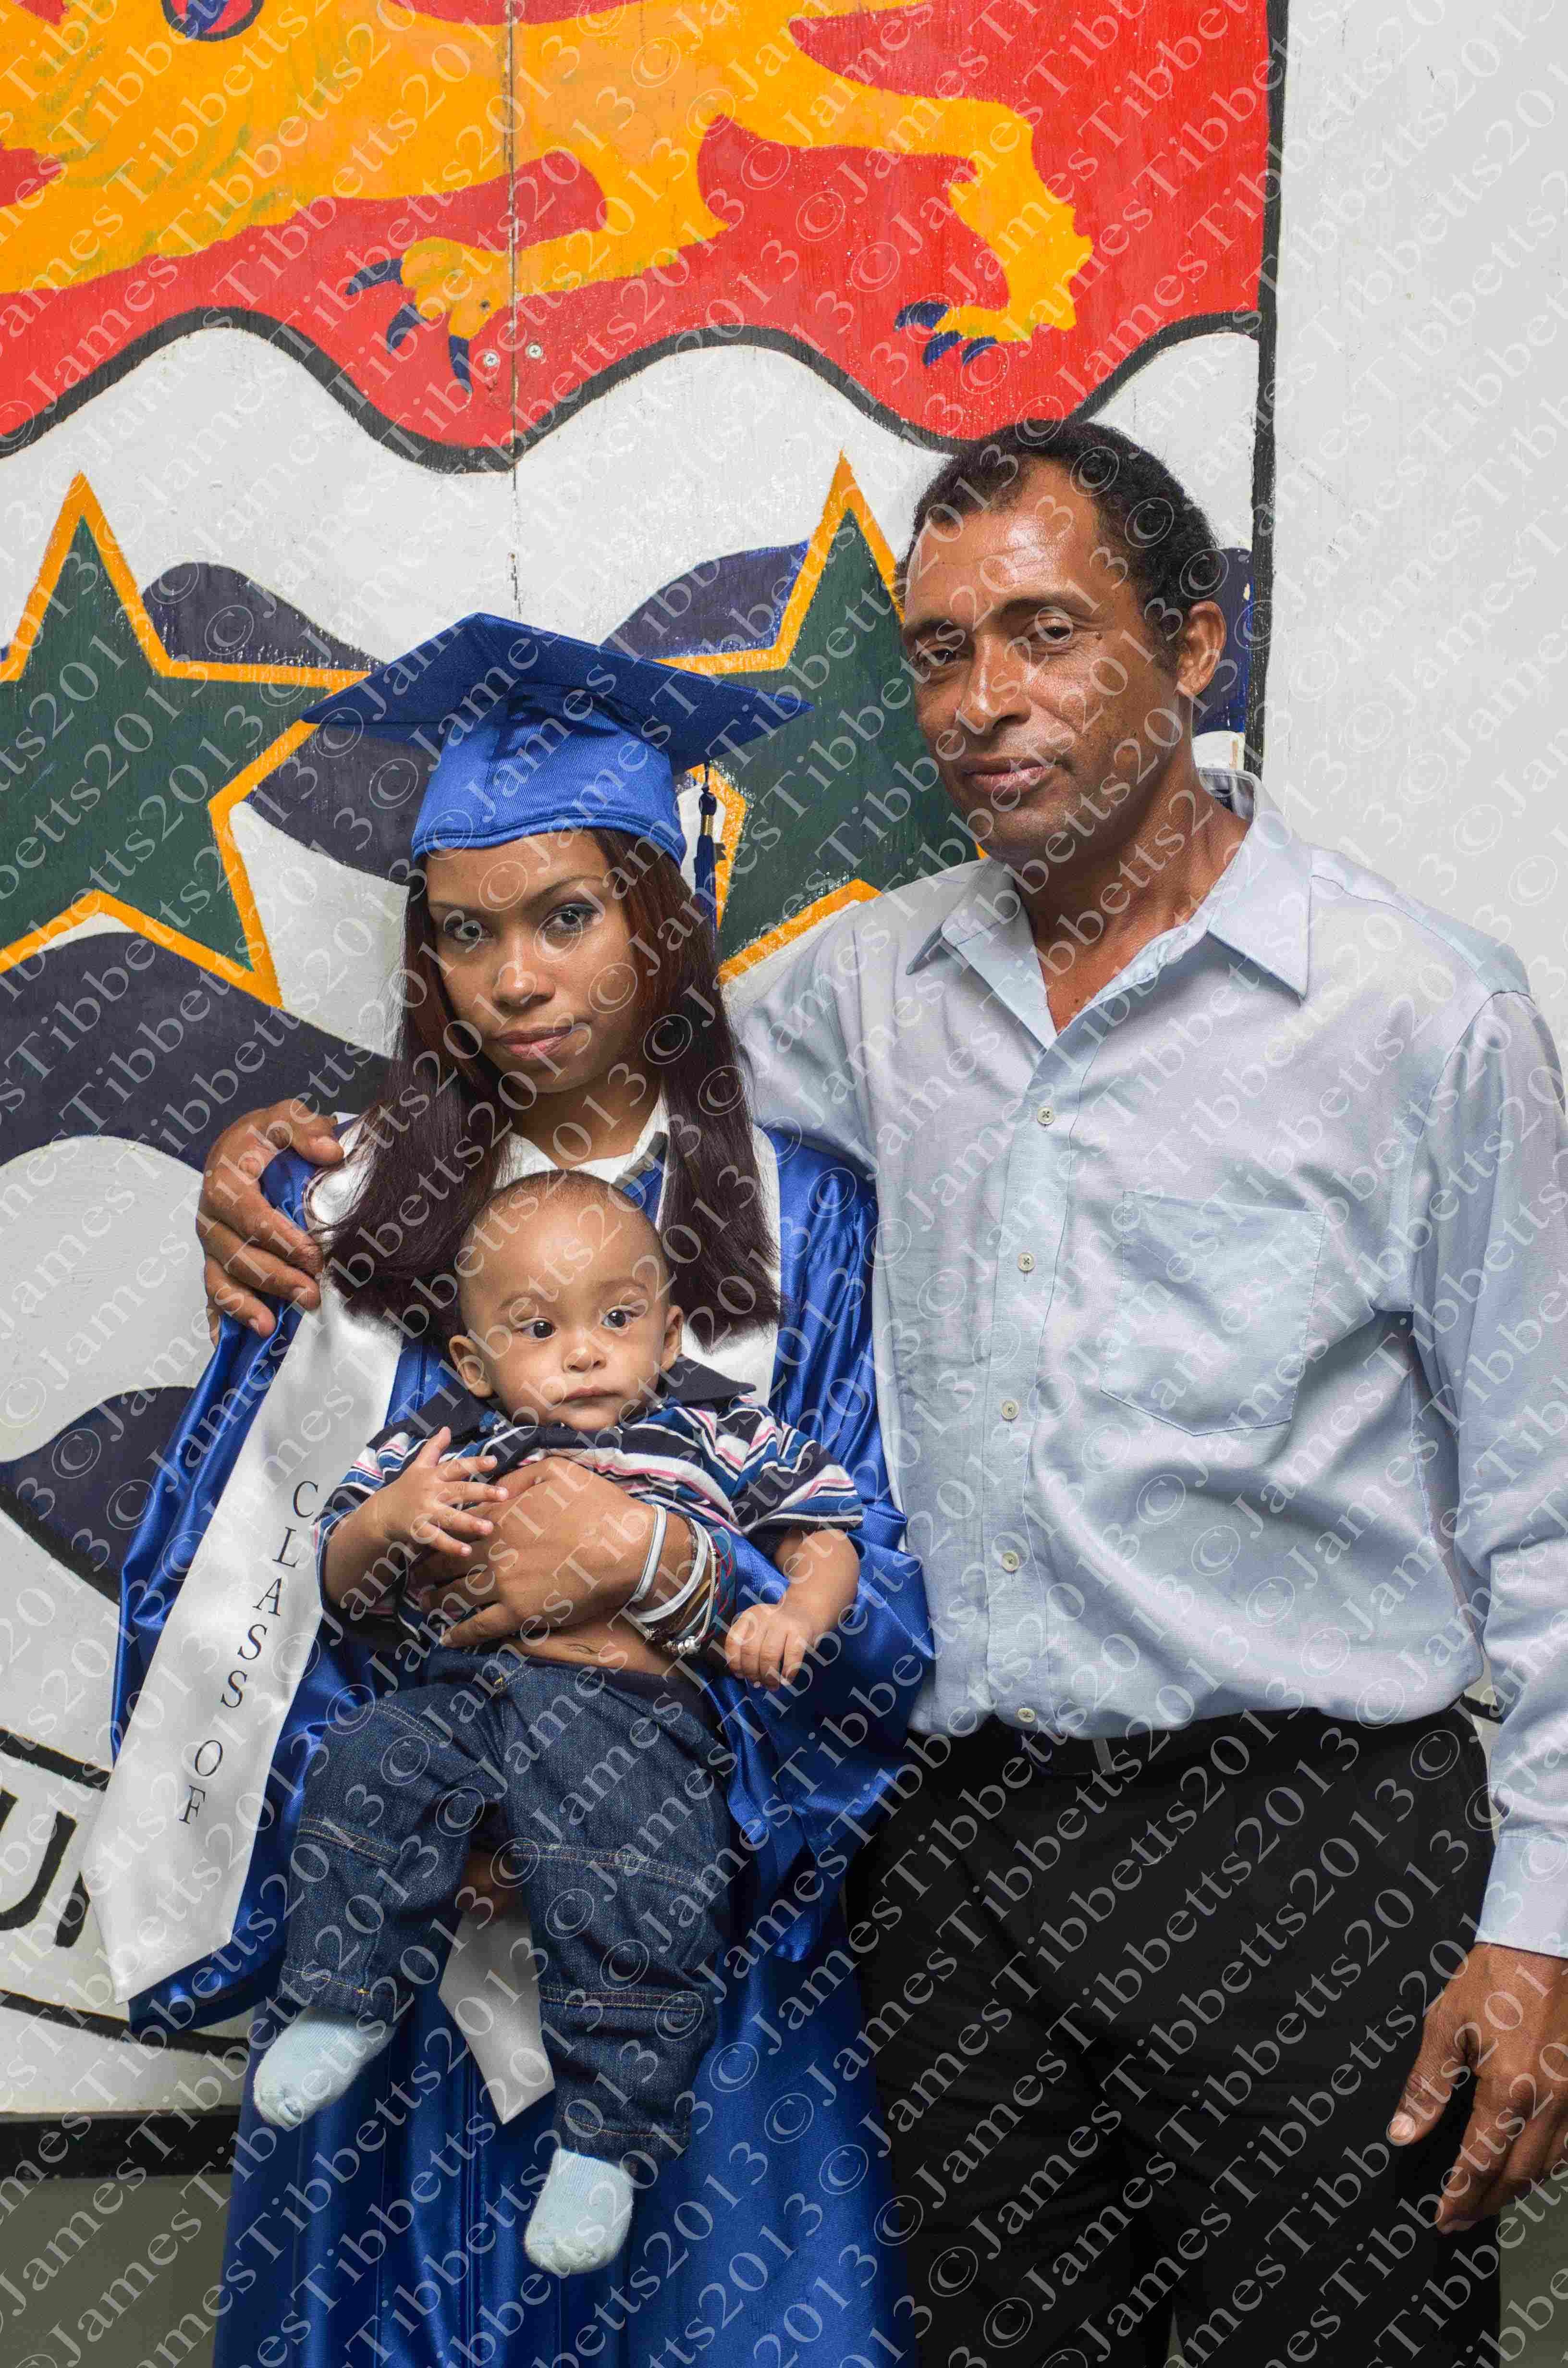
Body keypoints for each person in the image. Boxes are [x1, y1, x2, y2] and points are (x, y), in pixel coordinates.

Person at [200, 423, 1568, 2368]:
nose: (984, 698)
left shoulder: (1419, 1014)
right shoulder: (862, 991)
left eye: (1046, 631)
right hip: (961, 1875)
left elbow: (1545, 1496)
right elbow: (572, 1092)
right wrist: (288, 1159)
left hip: (1304, 1846)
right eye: (939, 650)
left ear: (1193, 647)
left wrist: (1545, 1917)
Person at [88, 619, 932, 2368]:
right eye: (464, 931)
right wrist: (439, 1823)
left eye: (565, 916)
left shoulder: (810, 1223)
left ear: (659, 923)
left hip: (703, 1982)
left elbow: (881, 1620)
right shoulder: (336, 1218)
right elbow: (217, 1602)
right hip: (404, 1988)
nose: (514, 980)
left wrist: (662, 1573)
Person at [255, 1170, 864, 2286]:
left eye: (617, 1318)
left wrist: (794, 1614)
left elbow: (826, 1531)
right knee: (366, 1762)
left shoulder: (715, 1424)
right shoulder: (446, 1439)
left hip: (627, 1714)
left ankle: (606, 2142)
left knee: (635, 1886)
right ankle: (344, 1996)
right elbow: (337, 1581)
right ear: (474, 1359)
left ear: (670, 1331)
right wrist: (389, 1520)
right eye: (539, 1329)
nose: (584, 1352)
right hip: (465, 1693)